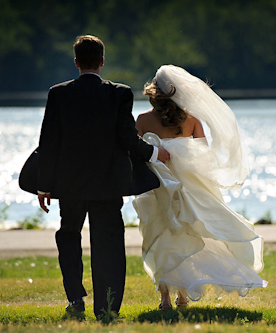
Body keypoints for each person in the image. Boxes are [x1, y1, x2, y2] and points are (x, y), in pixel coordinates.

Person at [36, 35, 170, 318]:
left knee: (69, 238)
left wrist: (44, 185)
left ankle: (75, 299)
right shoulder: (119, 93)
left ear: (76, 63)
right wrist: (154, 154)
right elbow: (126, 137)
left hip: (69, 185)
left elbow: (49, 142)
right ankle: (107, 307)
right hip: (108, 185)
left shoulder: (58, 93)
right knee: (108, 245)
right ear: (102, 62)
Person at [134, 65, 267, 310]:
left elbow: (137, 155)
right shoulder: (192, 119)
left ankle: (165, 298)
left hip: (157, 188)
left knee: (161, 237)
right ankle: (182, 296)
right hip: (188, 190)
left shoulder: (142, 120)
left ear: (155, 92)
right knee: (186, 236)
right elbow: (202, 156)